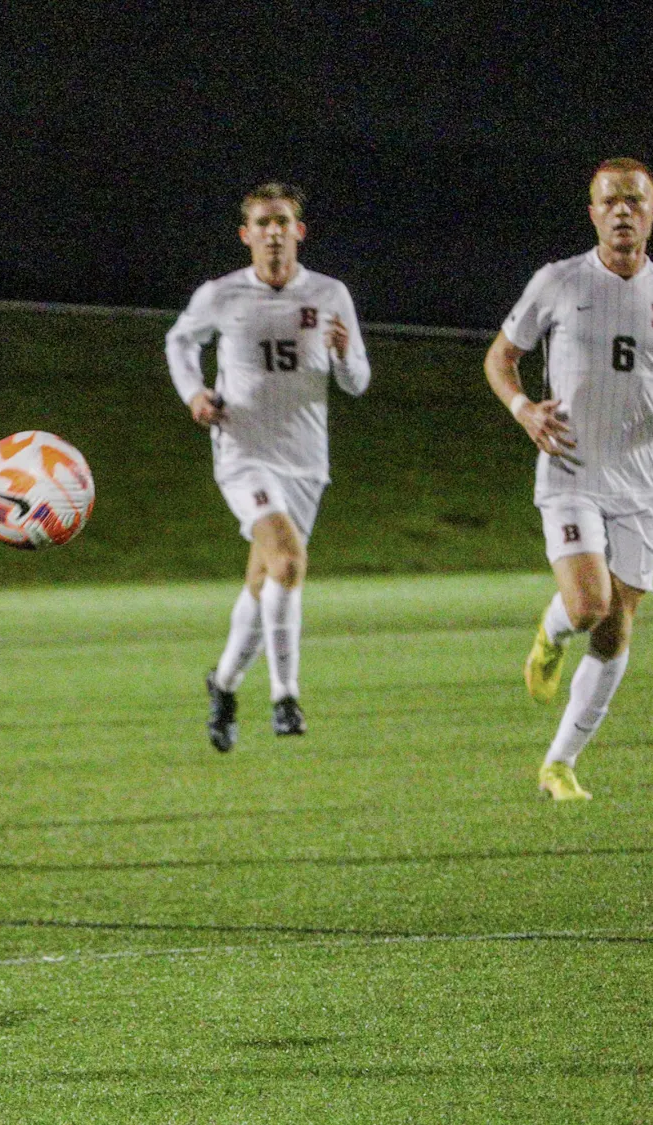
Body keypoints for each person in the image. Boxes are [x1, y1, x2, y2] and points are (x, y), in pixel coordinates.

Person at [485, 158, 653, 801]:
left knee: (616, 624)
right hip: (570, 469)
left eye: (635, 200)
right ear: (593, 212)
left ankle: (559, 763)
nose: (623, 211)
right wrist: (524, 409)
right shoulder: (558, 281)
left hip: (639, 480)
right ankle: (551, 632)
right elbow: (501, 359)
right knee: (588, 605)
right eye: (611, 201)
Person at [166, 182, 370, 751]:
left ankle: (224, 683)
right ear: (246, 234)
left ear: (298, 232)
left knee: (265, 581)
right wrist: (195, 394)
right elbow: (179, 342)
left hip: (306, 462)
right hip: (243, 453)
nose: (274, 232)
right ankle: (285, 697)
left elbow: (359, 382)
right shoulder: (223, 294)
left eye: (283, 222)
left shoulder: (330, 294)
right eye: (263, 222)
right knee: (288, 561)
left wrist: (344, 352)